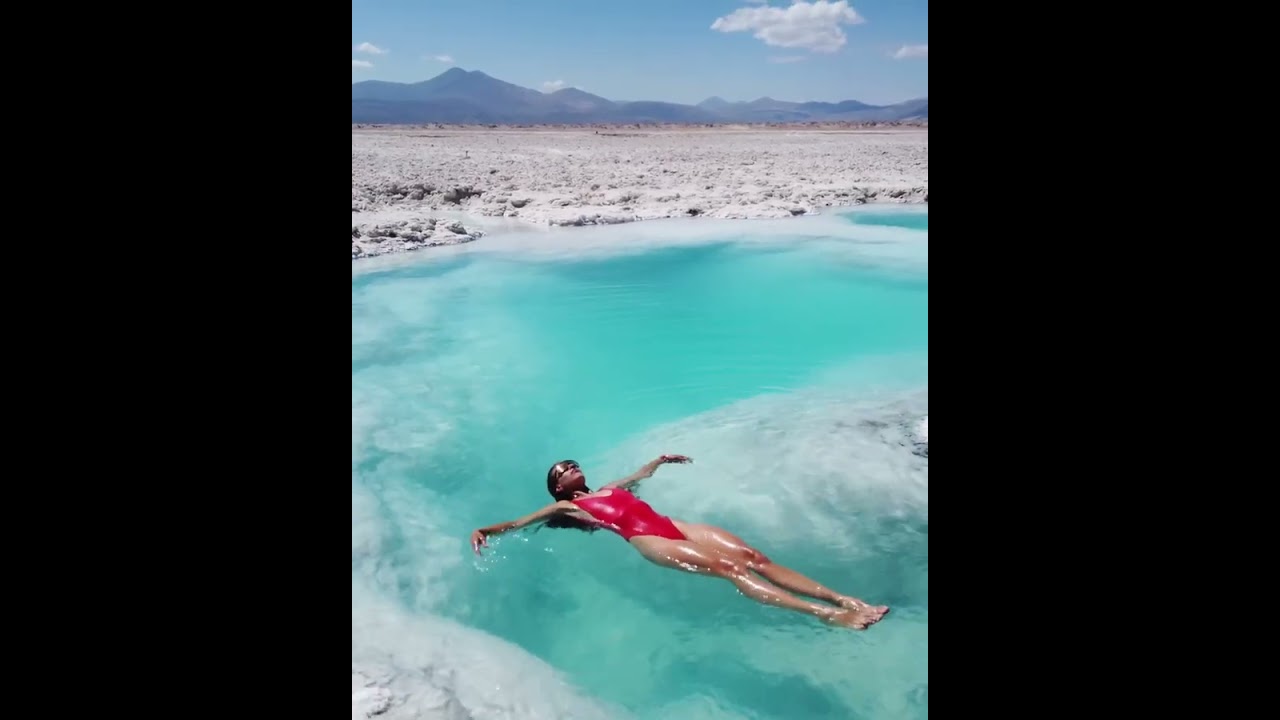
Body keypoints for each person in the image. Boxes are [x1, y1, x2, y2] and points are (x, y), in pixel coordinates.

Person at [470, 455, 890, 630]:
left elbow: (640, 476)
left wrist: (660, 460)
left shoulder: (613, 486)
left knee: (752, 556)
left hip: (675, 524)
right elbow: (519, 521)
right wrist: (486, 531)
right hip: (648, 539)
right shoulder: (565, 510)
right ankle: (824, 615)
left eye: (573, 463)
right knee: (731, 569)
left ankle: (845, 599)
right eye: (564, 470)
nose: (572, 467)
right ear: (558, 487)